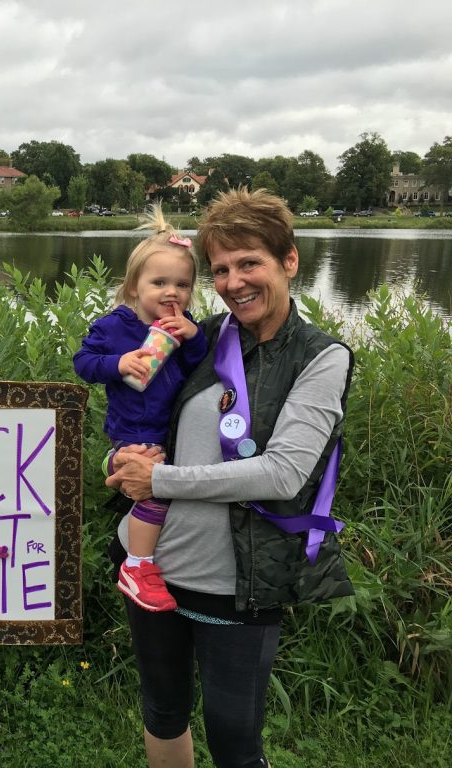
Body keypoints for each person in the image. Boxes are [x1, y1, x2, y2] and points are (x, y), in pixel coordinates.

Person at [107, 188, 354, 768]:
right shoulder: (203, 335)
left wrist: (159, 480)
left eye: (250, 263)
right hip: (154, 570)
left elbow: (283, 472)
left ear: (289, 261)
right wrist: (119, 460)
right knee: (163, 712)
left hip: (239, 584)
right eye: (219, 269)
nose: (234, 282)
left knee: (234, 739)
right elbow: (137, 406)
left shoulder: (321, 357)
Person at [74, 204, 207, 611]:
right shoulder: (115, 326)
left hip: (170, 432)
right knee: (157, 494)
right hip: (132, 431)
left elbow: (198, 368)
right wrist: (117, 363)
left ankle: (146, 559)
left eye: (182, 285)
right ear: (134, 287)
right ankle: (137, 565)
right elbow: (83, 363)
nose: (172, 293)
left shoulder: (182, 327)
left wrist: (195, 336)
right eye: (160, 282)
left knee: (163, 493)